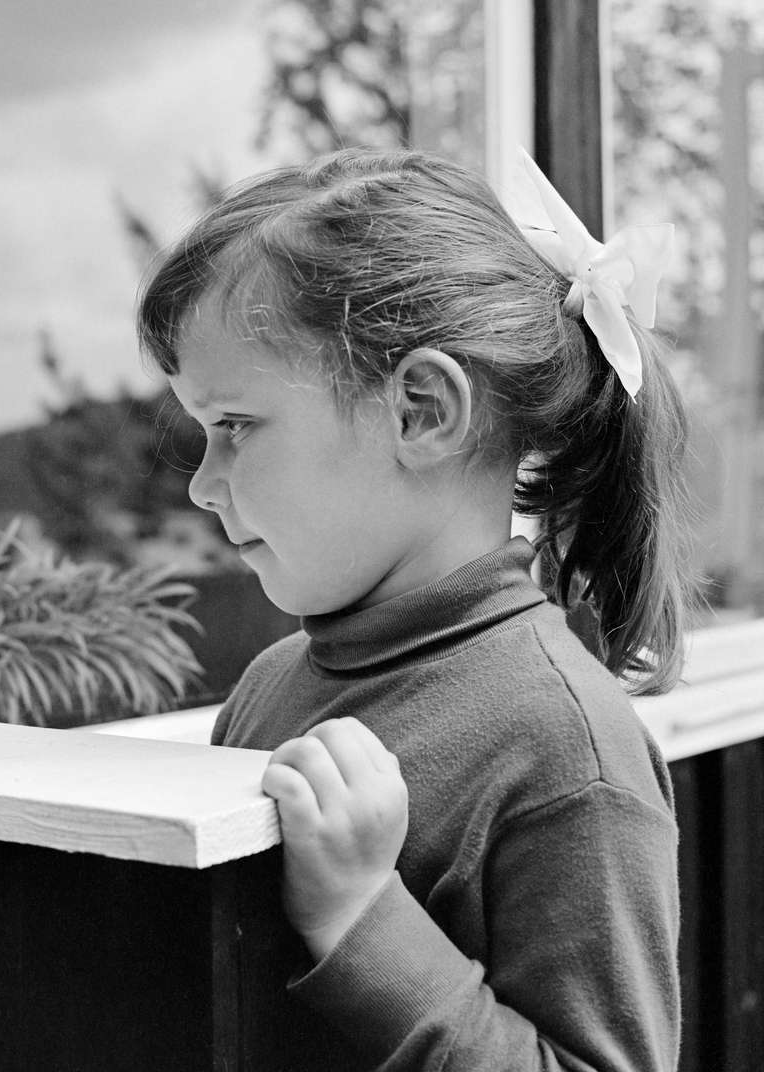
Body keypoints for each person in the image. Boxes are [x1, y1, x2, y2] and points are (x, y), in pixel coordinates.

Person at [137, 148, 688, 1070]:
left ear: (422, 411)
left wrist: (364, 917)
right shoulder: (272, 684)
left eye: (233, 426)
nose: (200, 484)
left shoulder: (564, 747)